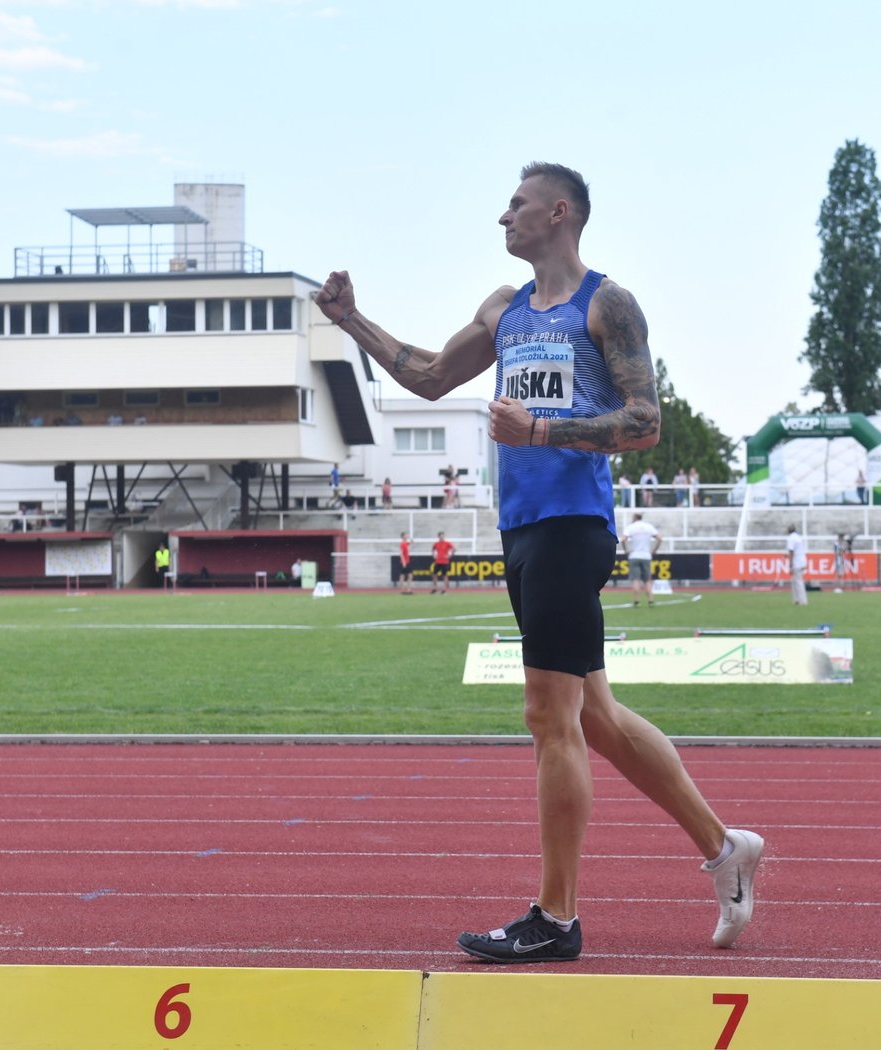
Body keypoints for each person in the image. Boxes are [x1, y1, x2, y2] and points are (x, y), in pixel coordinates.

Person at [314, 161, 763, 963]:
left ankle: (557, 919)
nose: (502, 218)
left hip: (571, 523)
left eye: (516, 206)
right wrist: (352, 321)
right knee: (595, 715)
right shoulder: (505, 309)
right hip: (522, 526)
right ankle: (725, 849)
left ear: (560, 213)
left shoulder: (607, 304)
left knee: (547, 718)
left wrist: (544, 433)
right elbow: (428, 376)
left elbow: (644, 421)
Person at [622, 513, 661, 606]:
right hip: (646, 556)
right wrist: (653, 550)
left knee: (636, 579)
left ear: (634, 518)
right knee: (647, 579)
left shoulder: (631, 527)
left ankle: (636, 600)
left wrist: (626, 550)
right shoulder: (648, 527)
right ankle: (650, 600)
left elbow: (623, 539)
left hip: (634, 555)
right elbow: (659, 538)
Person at [786, 524, 808, 605]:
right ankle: (797, 599)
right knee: (794, 581)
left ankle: (802, 600)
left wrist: (790, 564)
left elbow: (791, 551)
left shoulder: (790, 538)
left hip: (797, 562)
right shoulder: (799, 537)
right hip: (802, 560)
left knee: (798, 582)